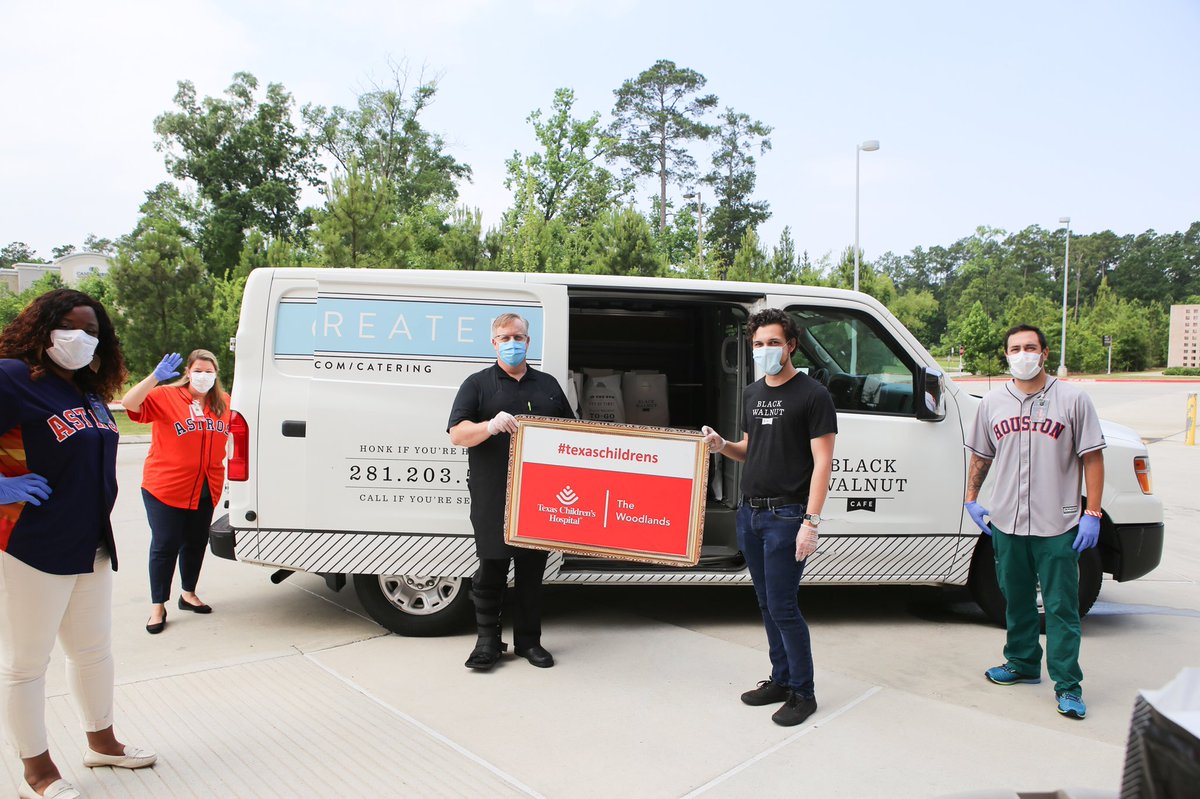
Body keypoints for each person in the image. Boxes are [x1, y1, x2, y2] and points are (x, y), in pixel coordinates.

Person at [0, 289, 156, 799]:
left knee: (92, 652)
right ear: (42, 326)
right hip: (33, 542)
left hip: (90, 541)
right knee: (27, 663)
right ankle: (38, 774)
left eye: (93, 332)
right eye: (70, 325)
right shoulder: (13, 376)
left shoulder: (86, 390)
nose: (81, 338)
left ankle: (102, 742)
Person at [702, 308, 837, 727]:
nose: (765, 350)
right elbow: (749, 448)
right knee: (765, 603)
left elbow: (822, 464)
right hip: (751, 514)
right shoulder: (751, 393)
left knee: (783, 606)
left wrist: (810, 523)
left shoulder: (813, 395)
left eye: (773, 342)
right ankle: (780, 679)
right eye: (758, 344)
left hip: (787, 515)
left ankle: (803, 692)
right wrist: (723, 444)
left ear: (791, 345)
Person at [964, 324, 1105, 720]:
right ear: (1005, 355)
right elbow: (981, 456)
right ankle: (1022, 663)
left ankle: (1068, 684)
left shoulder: (1073, 400)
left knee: (1061, 607)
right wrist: (971, 499)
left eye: (1030, 347)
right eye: (1015, 348)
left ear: (1044, 353)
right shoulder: (992, 403)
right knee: (1016, 598)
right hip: (1006, 522)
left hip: (1057, 524)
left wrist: (1091, 513)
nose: (1022, 354)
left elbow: (1092, 457)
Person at [447, 313, 574, 671]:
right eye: (504, 338)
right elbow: (457, 434)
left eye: (518, 337)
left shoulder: (548, 385)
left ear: (528, 342)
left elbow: (572, 434)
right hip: (492, 493)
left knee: (532, 572)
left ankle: (529, 643)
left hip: (540, 495)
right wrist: (489, 424)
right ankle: (487, 642)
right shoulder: (477, 384)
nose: (512, 343)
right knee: (491, 568)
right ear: (494, 343)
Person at [121, 349, 231, 635]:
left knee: (195, 542)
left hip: (206, 486)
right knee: (165, 544)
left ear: (216, 374)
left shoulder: (223, 403)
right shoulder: (166, 397)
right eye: (199, 370)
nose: (204, 376)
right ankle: (158, 605)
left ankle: (188, 594)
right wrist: (154, 378)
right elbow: (129, 403)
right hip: (165, 487)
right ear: (188, 372)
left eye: (209, 371)